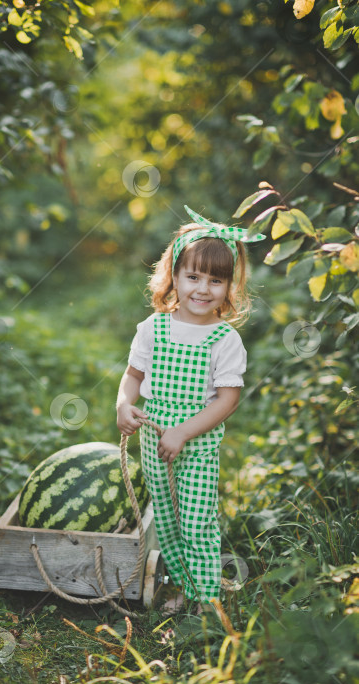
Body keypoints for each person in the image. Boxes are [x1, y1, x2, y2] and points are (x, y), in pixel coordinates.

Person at [116, 205, 265, 611]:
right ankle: (181, 585)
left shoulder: (223, 339)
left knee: (196, 522)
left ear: (228, 286)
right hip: (152, 441)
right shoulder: (153, 328)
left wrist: (183, 432)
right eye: (193, 276)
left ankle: (205, 596)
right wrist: (124, 405)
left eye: (215, 280)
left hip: (195, 445)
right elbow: (132, 376)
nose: (203, 289)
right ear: (175, 277)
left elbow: (227, 399)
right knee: (165, 518)